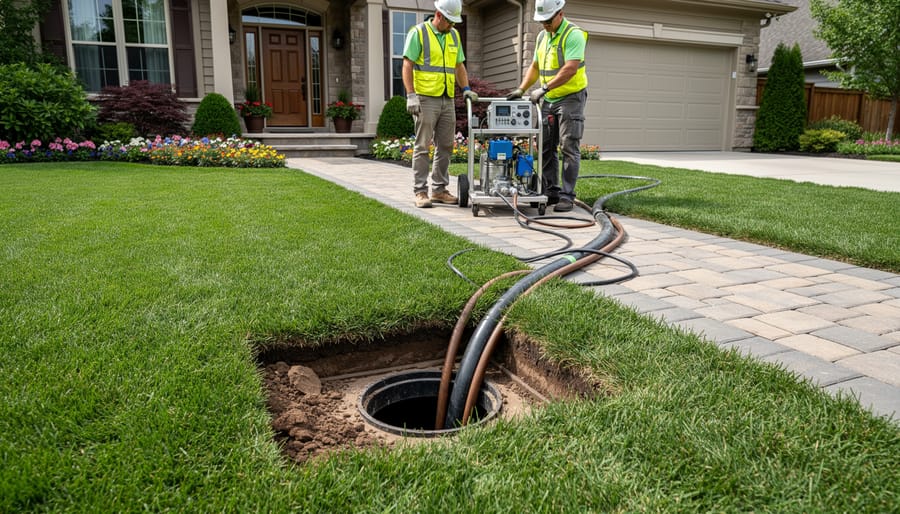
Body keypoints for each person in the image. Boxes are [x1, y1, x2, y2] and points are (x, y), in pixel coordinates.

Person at [507, 0, 587, 212]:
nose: (545, 24)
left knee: (569, 146)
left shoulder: (574, 34)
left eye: (548, 20)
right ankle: (551, 191)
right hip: (550, 98)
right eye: (542, 21)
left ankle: (567, 196)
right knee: (544, 146)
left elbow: (570, 68)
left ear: (560, 13)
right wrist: (521, 89)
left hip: (571, 97)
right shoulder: (543, 36)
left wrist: (544, 89)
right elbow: (534, 66)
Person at [403, 0, 478, 208]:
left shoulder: (453, 35)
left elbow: (459, 65)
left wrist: (466, 89)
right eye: (450, 21)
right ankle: (420, 192)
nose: (453, 26)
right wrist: (411, 95)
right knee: (422, 146)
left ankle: (439, 190)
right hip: (425, 98)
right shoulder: (419, 32)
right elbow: (407, 64)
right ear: (439, 15)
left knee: (445, 145)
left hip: (447, 98)